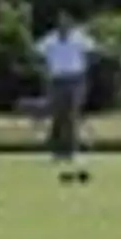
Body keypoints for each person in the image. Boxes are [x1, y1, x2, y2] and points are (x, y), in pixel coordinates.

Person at [37, 11, 96, 171]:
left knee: (72, 115)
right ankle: (56, 151)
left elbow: (92, 51)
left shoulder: (79, 38)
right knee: (58, 115)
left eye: (66, 22)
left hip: (75, 79)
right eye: (61, 22)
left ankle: (71, 151)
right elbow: (38, 53)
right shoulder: (50, 39)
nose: (64, 25)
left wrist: (83, 69)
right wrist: (46, 71)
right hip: (56, 80)